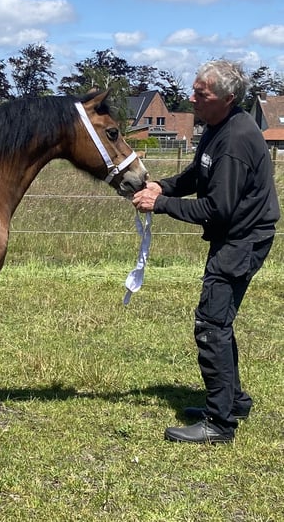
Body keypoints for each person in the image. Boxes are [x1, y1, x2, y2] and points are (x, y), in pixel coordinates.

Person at [132, 59, 280, 444]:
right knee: (220, 320)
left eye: (203, 94)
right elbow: (198, 175)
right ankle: (234, 401)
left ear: (228, 99)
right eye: (194, 89)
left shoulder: (234, 141)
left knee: (211, 324)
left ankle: (220, 423)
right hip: (234, 235)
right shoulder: (217, 128)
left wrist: (160, 206)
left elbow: (216, 209)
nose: (192, 98)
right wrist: (163, 187)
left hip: (242, 239)